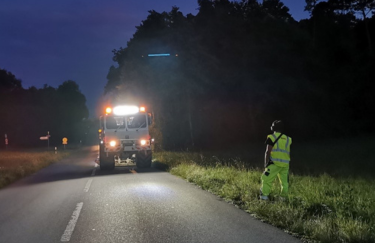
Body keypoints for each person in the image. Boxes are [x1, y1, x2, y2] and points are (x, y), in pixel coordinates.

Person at [260, 120, 292, 201]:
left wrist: (265, 164)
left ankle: (264, 197)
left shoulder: (271, 138)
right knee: (285, 182)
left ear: (272, 128)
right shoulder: (288, 139)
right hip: (285, 164)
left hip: (274, 163)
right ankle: (283, 198)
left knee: (266, 179)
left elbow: (267, 152)